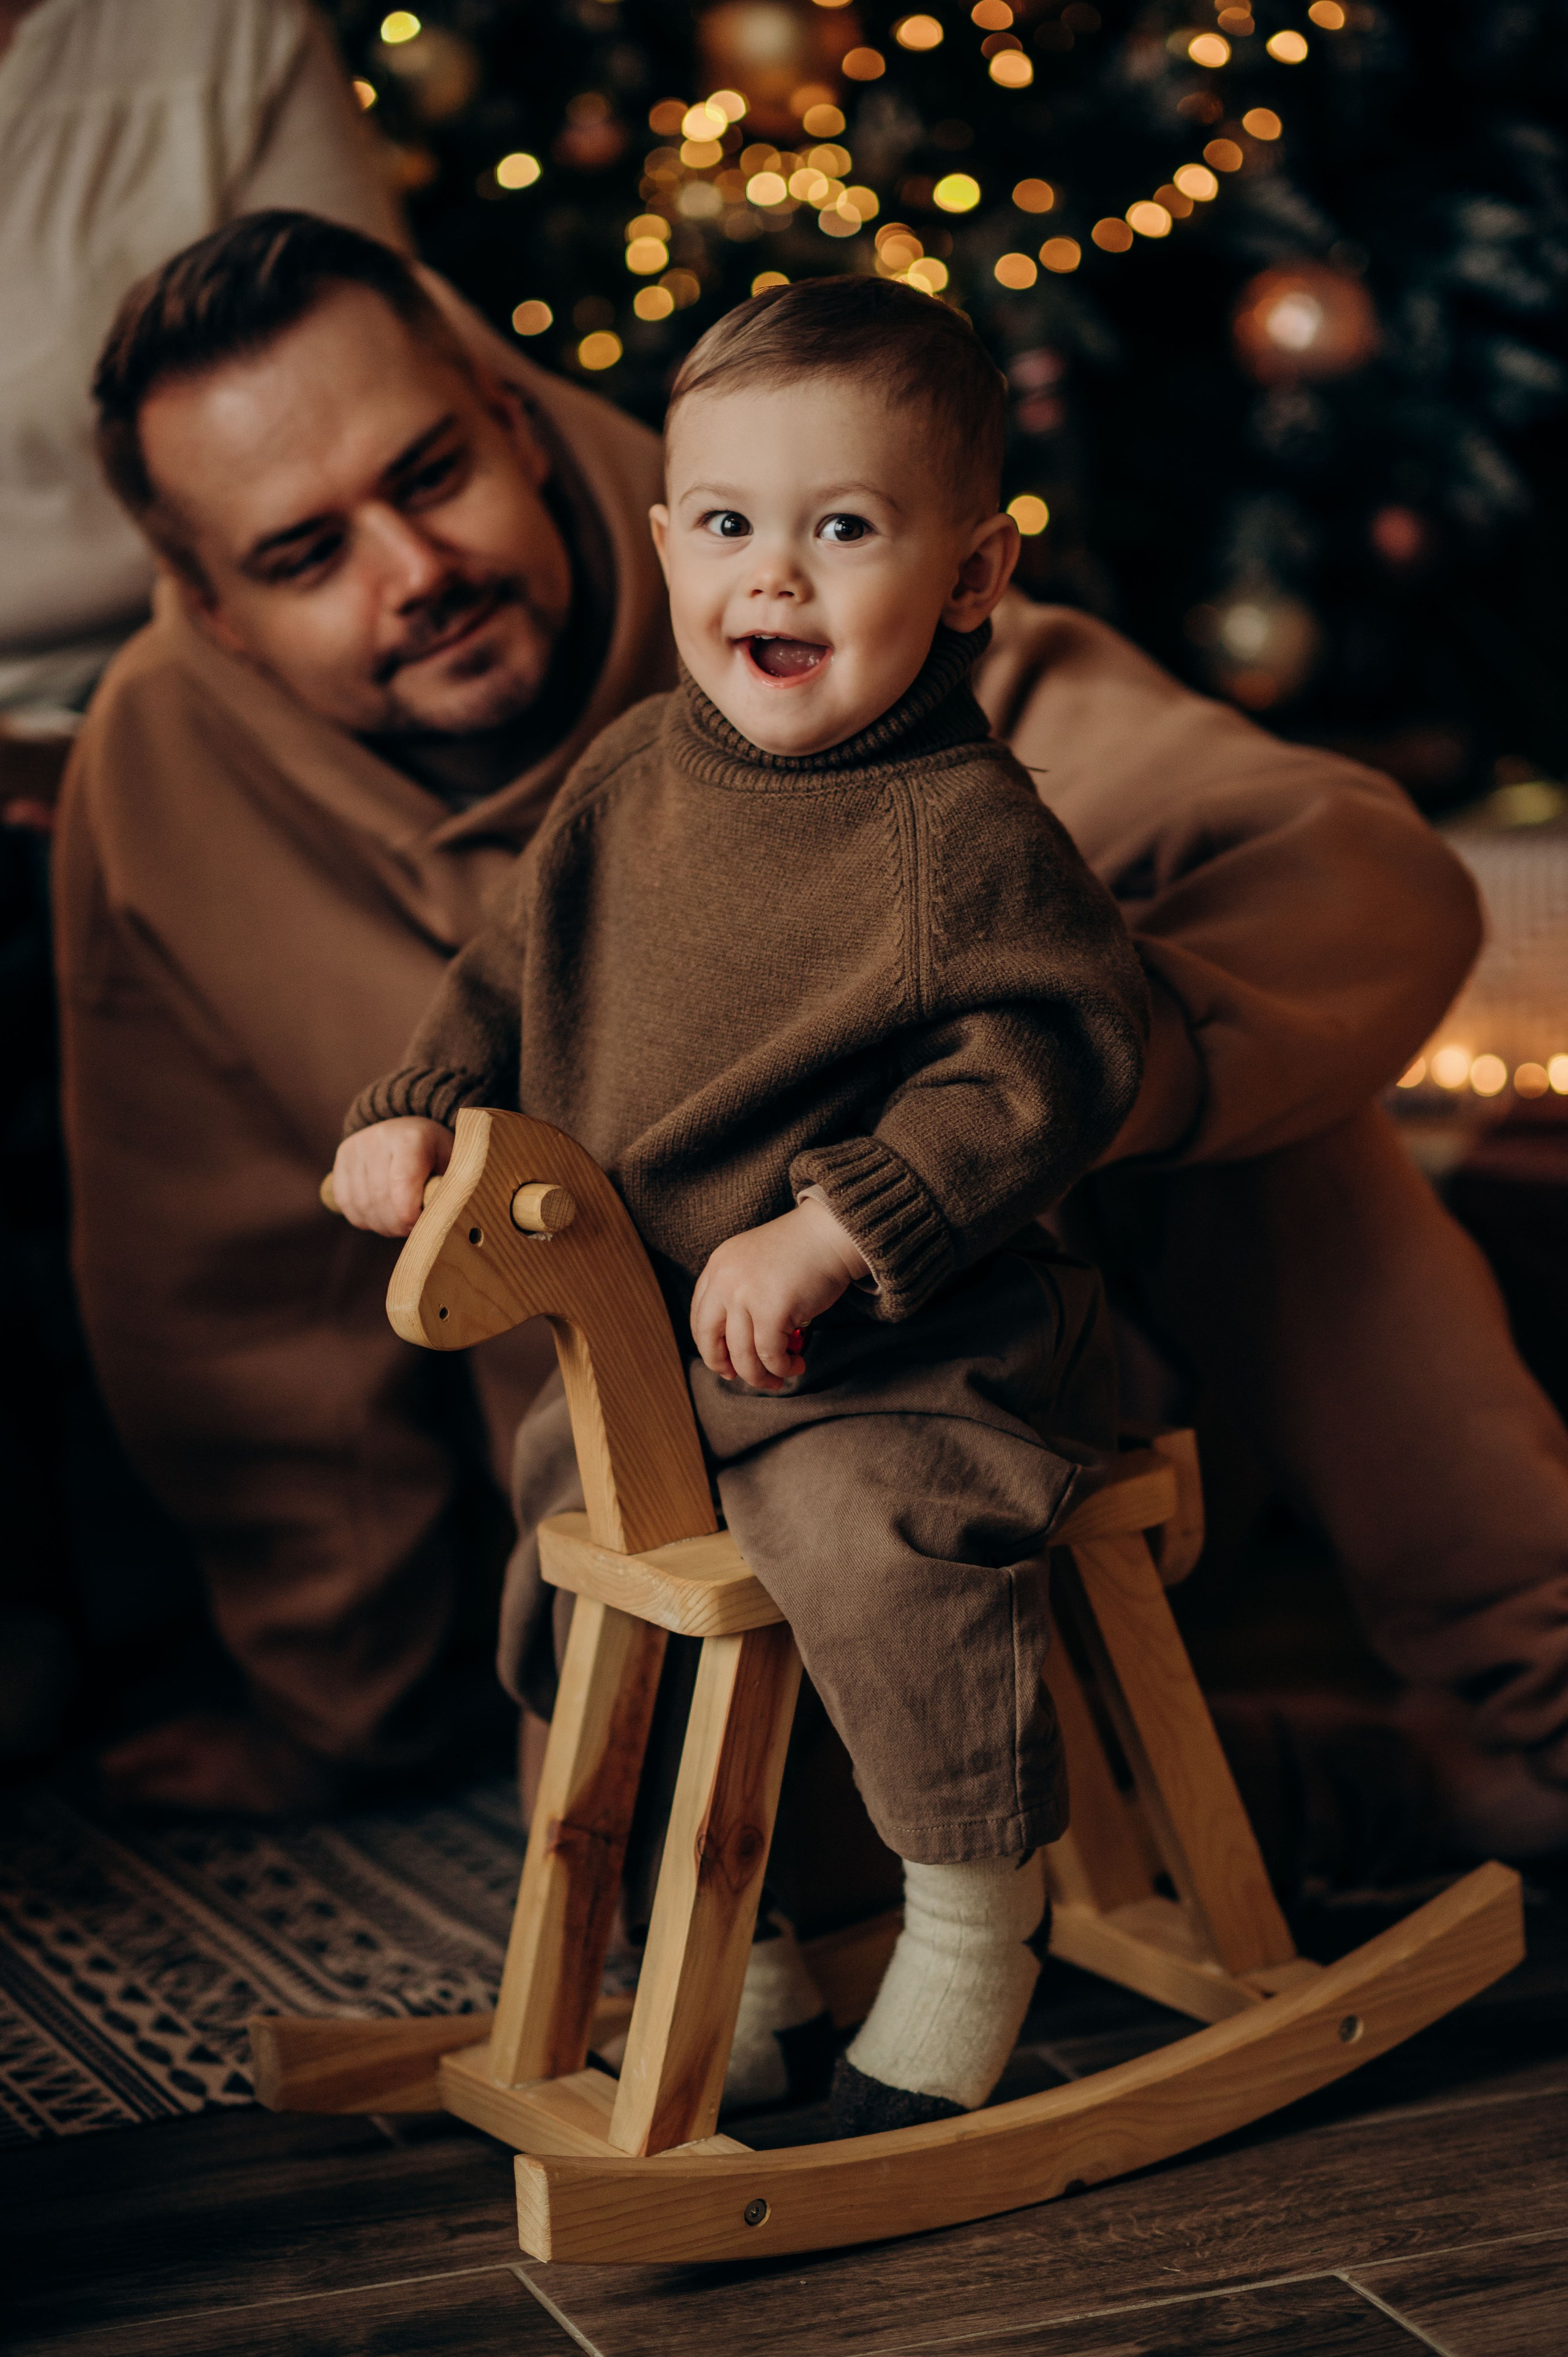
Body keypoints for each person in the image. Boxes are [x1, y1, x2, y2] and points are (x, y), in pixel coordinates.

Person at [60, 214, 1568, 1883]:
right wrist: (333, 1711)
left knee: (1193, 1042)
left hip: (1022, 1387)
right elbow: (221, 1296)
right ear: (209, 606)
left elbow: (1359, 880)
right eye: (304, 555)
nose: (414, 571)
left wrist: (988, 1134)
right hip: (649, 1473)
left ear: (510, 413)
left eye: (430, 473)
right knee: (745, 1838)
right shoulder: (168, 781)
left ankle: (1539, 1708)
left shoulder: (836, 581)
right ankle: (1305, 1800)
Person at [332, 277, 1151, 2133]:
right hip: (665, 1360)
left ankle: (968, 1917)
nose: (770, 579)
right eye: (727, 526)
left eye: (841, 530)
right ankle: (750, 1950)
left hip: (923, 1353)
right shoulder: (628, 779)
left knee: (863, 1535)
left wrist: (846, 1227)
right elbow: (500, 975)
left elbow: (1063, 1051)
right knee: (567, 1549)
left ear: (969, 574)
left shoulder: (958, 829)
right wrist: (416, 1110)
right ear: (661, 538)